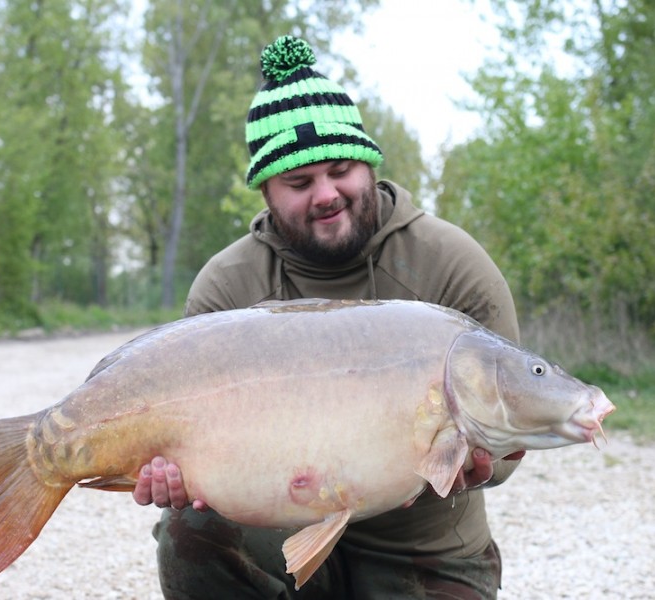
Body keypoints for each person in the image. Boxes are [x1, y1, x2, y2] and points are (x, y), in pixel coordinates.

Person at [133, 35, 524, 599]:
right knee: (188, 531)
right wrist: (167, 472)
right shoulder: (227, 286)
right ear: (265, 190)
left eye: (341, 170)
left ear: (367, 163)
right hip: (281, 537)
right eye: (298, 182)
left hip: (425, 553)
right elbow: (179, 437)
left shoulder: (451, 264)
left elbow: (511, 427)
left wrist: (482, 461)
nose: (326, 194)